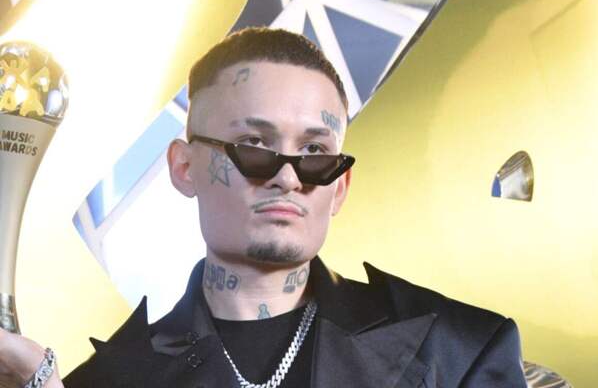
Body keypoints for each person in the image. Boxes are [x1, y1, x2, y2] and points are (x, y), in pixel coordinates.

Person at [0, 27, 528, 387]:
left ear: (340, 186)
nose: (288, 176)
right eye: (254, 144)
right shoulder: (109, 381)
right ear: (184, 167)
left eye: (315, 152)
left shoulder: (459, 350)